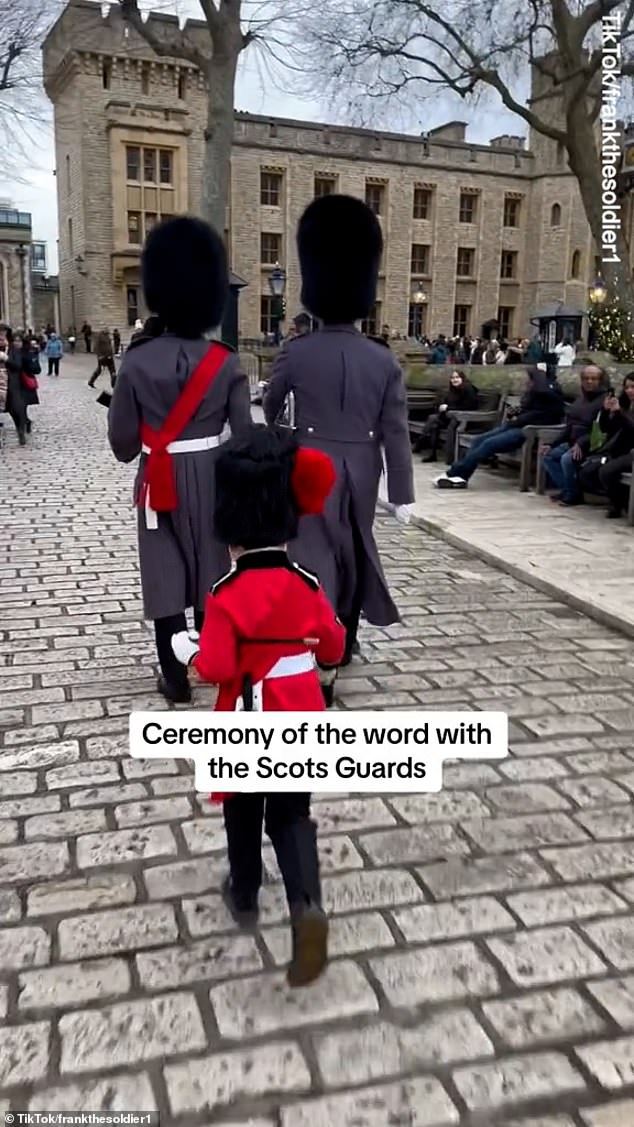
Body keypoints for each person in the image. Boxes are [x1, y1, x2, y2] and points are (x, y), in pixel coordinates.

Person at [171, 426, 345, 985]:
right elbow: (335, 646)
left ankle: (244, 891)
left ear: (233, 534)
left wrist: (190, 650)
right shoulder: (307, 583)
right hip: (299, 714)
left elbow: (218, 668)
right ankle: (306, 906)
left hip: (246, 717)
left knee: (243, 810)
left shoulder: (223, 595)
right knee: (292, 814)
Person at [263, 194, 414, 695]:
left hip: (308, 461)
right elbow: (396, 429)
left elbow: (270, 405)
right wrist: (404, 494)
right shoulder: (383, 360)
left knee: (313, 557)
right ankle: (344, 640)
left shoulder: (298, 351)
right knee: (354, 549)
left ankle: (317, 651)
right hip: (365, 464)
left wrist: (284, 437)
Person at [108, 215, 252, 703]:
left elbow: (123, 445)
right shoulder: (226, 361)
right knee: (214, 572)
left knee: (165, 574)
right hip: (212, 475)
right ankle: (212, 663)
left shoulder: (137, 360)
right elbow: (245, 438)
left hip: (159, 479)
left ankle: (173, 677)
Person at [435, 367, 564, 489]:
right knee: (478, 440)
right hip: (515, 425)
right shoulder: (535, 394)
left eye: (531, 379)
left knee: (488, 444)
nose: (527, 383)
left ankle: (454, 473)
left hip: (527, 432)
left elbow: (538, 415)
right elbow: (527, 411)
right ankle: (461, 477)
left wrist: (539, 375)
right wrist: (515, 413)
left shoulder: (551, 395)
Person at [541, 365, 608, 506]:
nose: (589, 382)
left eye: (593, 379)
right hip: (573, 442)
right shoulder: (580, 400)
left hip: (593, 444)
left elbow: (603, 430)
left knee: (567, 459)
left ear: (600, 380)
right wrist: (552, 444)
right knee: (548, 455)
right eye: (586, 378)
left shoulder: (605, 401)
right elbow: (569, 427)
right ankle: (570, 489)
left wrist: (581, 443)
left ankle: (572, 495)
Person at [591, 375, 634, 518]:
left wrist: (619, 413)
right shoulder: (625, 404)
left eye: (633, 387)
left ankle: (620, 503)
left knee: (606, 471)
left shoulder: (623, 409)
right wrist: (605, 411)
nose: (629, 391)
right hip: (620, 451)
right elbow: (605, 428)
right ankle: (619, 502)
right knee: (590, 472)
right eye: (627, 387)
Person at [418, 370, 478, 463]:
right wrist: (442, 407)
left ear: (462, 378)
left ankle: (421, 443)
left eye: (457, 377)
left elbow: (468, 407)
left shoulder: (468, 389)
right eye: (453, 378)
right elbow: (446, 403)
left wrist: (448, 408)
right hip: (449, 417)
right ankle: (432, 454)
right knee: (433, 423)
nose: (455, 380)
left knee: (435, 420)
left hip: (463, 420)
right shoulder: (452, 390)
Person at [1, 325, 28, 445]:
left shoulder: (13, 350)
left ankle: (20, 430)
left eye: (3, 335)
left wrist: (6, 359)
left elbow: (18, 366)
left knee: (16, 410)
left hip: (11, 385)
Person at [14, 331, 40, 434]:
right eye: (15, 341)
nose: (17, 343)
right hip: (14, 382)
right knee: (15, 407)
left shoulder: (28, 353)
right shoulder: (10, 352)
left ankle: (24, 423)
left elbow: (37, 369)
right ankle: (25, 421)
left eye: (19, 341)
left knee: (22, 405)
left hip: (24, 382)